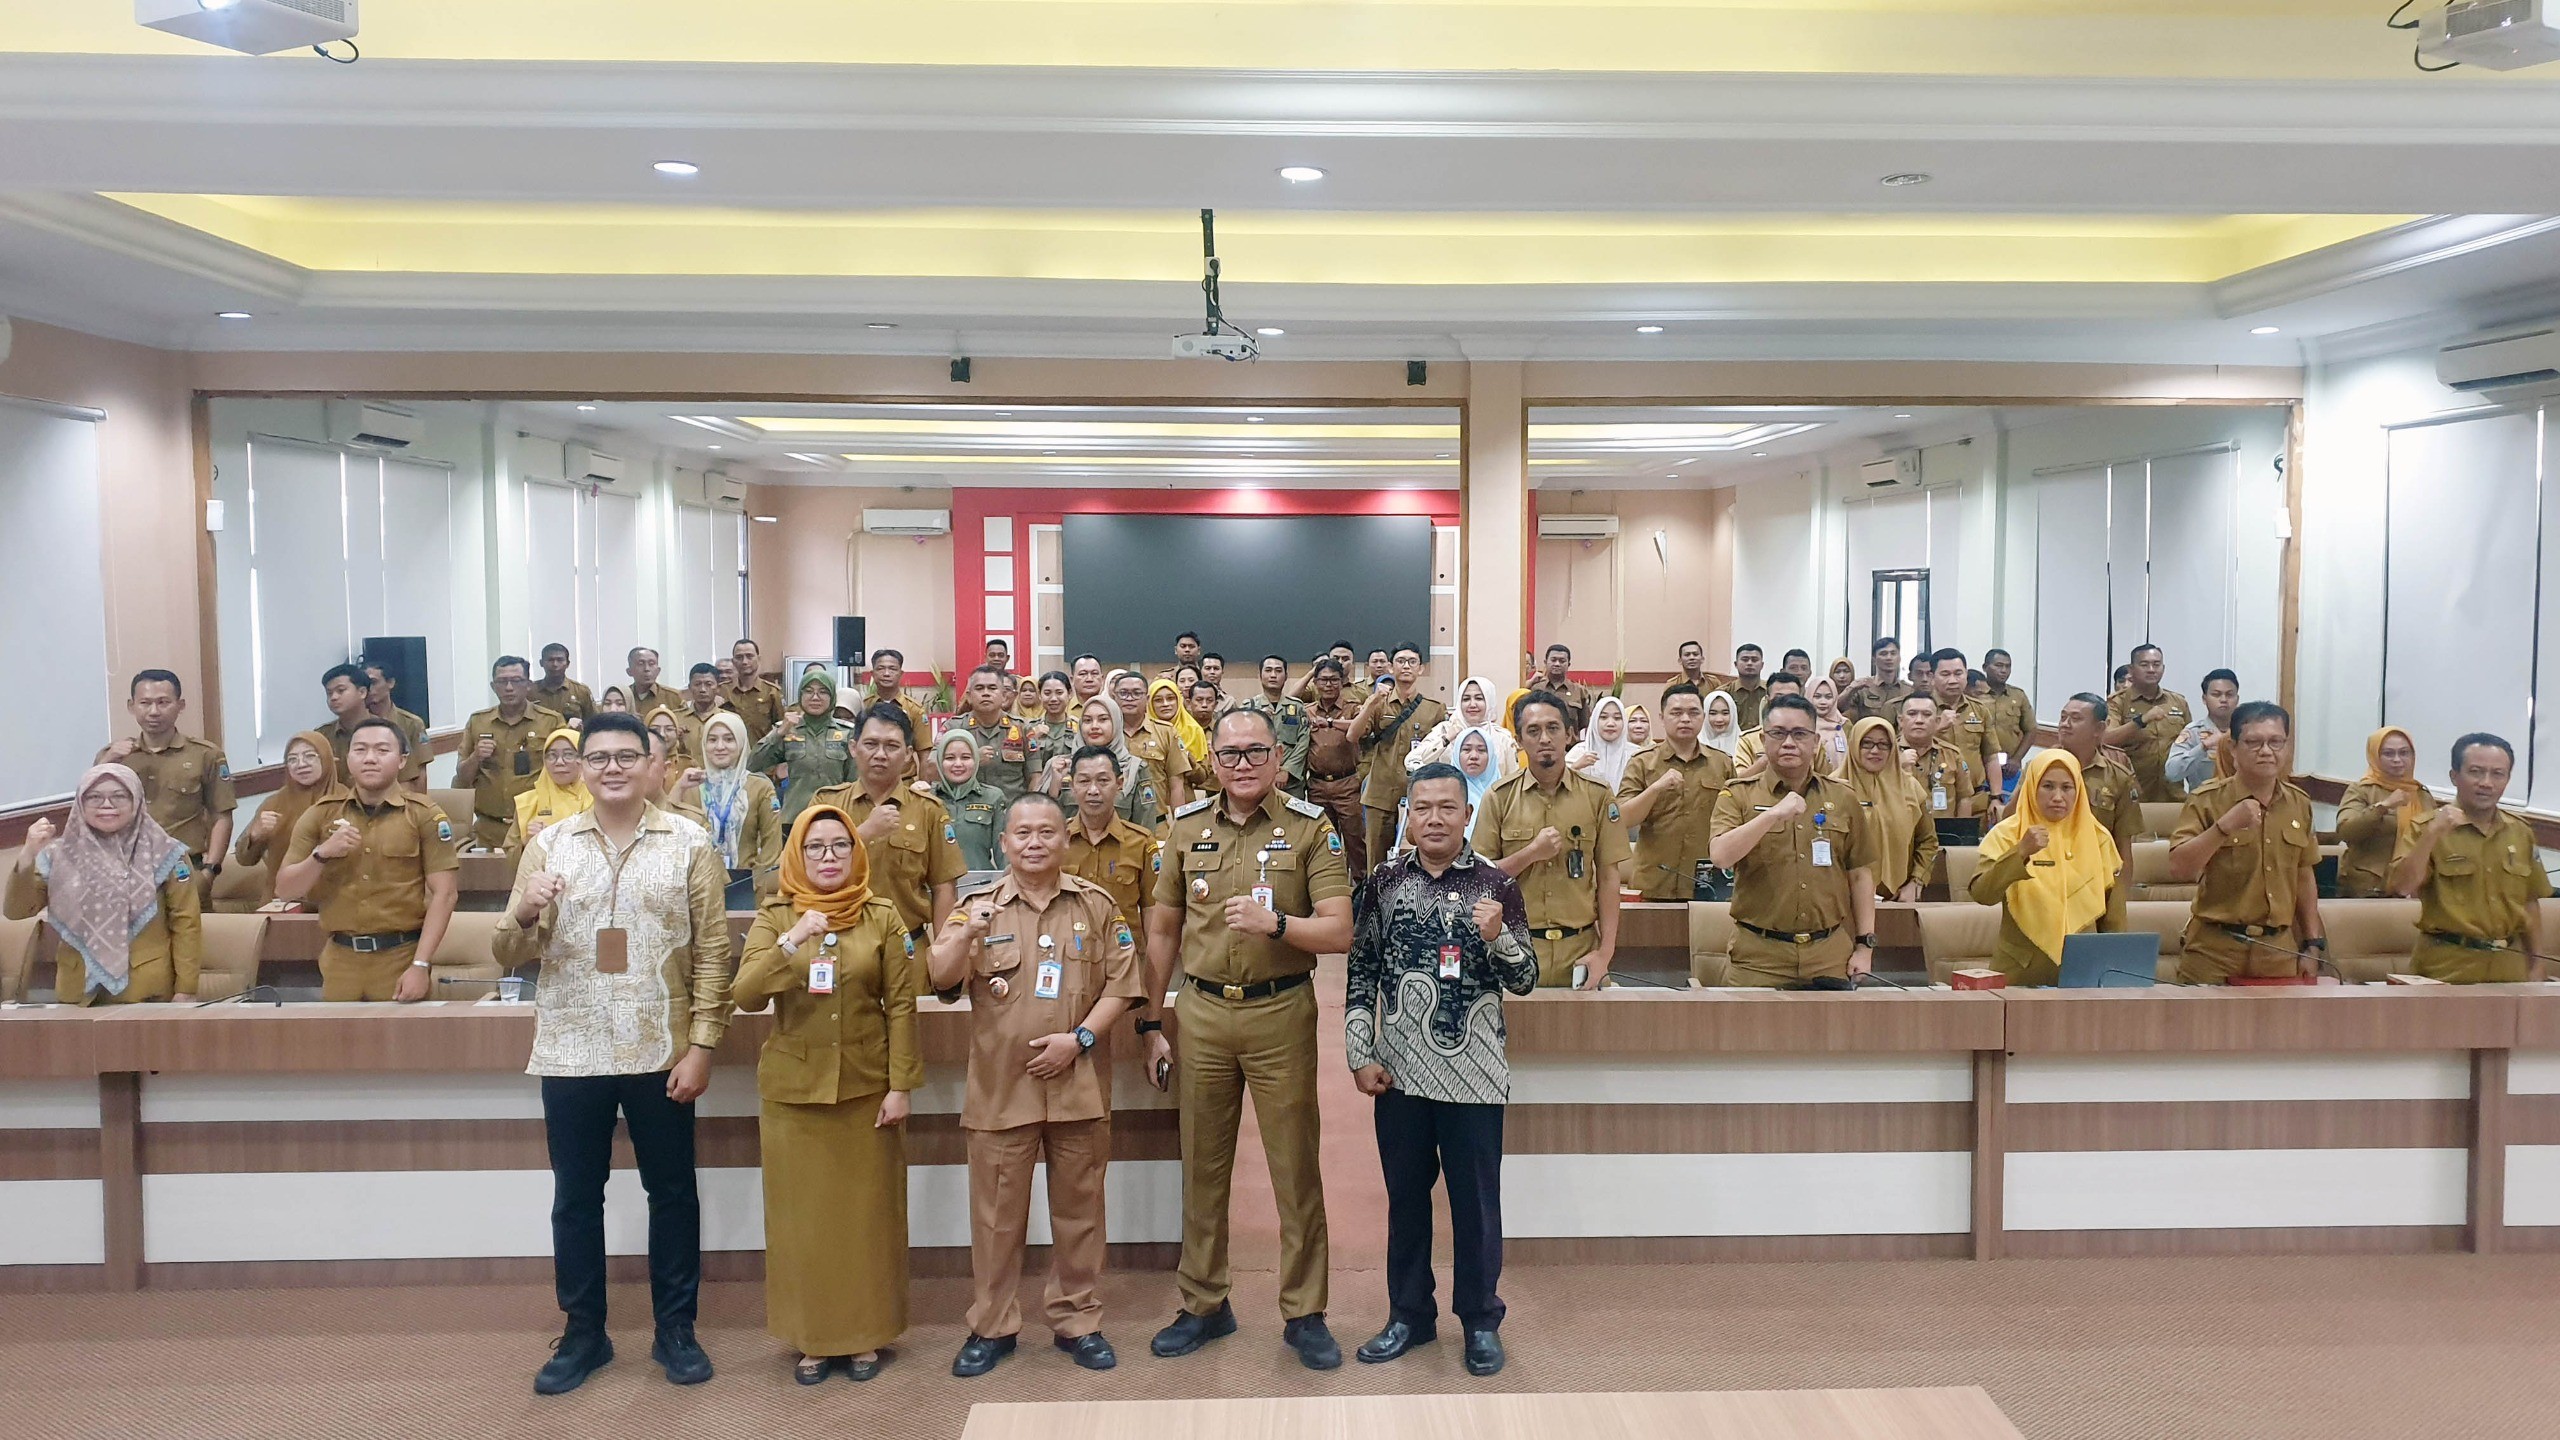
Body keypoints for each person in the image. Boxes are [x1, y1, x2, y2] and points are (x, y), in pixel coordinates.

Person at [496, 712, 732, 1395]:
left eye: (627, 756)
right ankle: (583, 1332)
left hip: (661, 1048)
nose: (612, 768)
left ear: (652, 763)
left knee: (673, 1194)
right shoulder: (548, 848)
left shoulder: (689, 842)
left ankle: (677, 1329)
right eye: (598, 757)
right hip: (571, 1049)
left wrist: (704, 1045)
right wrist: (521, 914)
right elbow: (506, 956)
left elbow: (713, 951)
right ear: (582, 766)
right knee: (575, 1198)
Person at [1142, 711, 1354, 1371]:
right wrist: (1152, 1023)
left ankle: (1306, 1312)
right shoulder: (1183, 829)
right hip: (1202, 1013)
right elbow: (1163, 932)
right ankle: (1204, 1302)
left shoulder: (1309, 828)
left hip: (1280, 1013)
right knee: (1203, 1168)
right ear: (1214, 761)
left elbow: (1339, 930)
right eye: (1229, 752)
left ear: (1276, 757)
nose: (1241, 763)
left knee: (1296, 1168)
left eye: (1254, 751)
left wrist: (1277, 923)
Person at [928, 791, 1144, 1377]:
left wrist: (1079, 1041)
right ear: (1004, 842)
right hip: (1002, 1092)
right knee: (997, 1220)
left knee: (1080, 1213)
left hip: (1078, 1085)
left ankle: (1078, 1320)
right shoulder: (976, 907)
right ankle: (992, 1325)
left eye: (1046, 833)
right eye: (1022, 833)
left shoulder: (1096, 907)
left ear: (1064, 839)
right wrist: (964, 935)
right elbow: (941, 978)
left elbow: (1123, 986)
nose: (1033, 843)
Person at [1345, 762, 1535, 1379]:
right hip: (1399, 1074)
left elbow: (1526, 979)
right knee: (1405, 1200)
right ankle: (1409, 1315)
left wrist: (1498, 937)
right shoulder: (1383, 882)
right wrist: (1359, 1050)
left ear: (1466, 814)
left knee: (1475, 1205)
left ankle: (1480, 1320)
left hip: (1475, 1076)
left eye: (1446, 807)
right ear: (1408, 813)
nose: (1433, 818)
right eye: (1422, 807)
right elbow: (1361, 971)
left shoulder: (1495, 885)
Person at [725, 804, 916, 1385]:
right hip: (794, 1096)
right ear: (798, 856)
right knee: (802, 1226)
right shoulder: (775, 915)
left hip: (865, 1089)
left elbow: (902, 1006)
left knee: (866, 1222)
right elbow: (745, 995)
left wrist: (901, 1084)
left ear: (856, 851)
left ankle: (865, 1337)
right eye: (816, 848)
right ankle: (811, 1339)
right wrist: (792, 940)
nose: (829, 858)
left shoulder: (881, 916)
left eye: (839, 846)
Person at [275, 717, 458, 1002]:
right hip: (340, 958)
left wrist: (420, 965)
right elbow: (286, 890)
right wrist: (322, 854)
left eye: (382, 750)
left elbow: (445, 894)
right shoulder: (321, 814)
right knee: (339, 1045)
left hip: (401, 956)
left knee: (401, 1044)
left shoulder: (425, 815)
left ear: (402, 760)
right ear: (347, 759)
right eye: (360, 750)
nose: (370, 759)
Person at [1708, 695, 1880, 988]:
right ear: (1764, 739)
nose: (1789, 742)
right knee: (1749, 1035)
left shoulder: (1842, 797)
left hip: (1828, 952)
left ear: (1815, 742)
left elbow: (1860, 874)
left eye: (1800, 734)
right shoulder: (1738, 794)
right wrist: (1772, 815)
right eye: (1779, 733)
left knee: (1832, 1035)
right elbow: (1721, 856)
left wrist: (1865, 945)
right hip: (1759, 956)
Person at [1470, 691, 1630, 988]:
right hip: (1516, 948)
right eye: (1533, 730)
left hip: (1581, 950)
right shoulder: (1500, 797)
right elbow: (1481, 879)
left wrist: (1604, 954)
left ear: (1569, 734)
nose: (1544, 738)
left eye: (1553, 728)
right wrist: (1530, 853)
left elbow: (1609, 878)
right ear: (1518, 740)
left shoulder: (1597, 795)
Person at [7, 764, 201, 1004]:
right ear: (80, 803)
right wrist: (27, 855)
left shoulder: (166, 853)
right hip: (78, 990)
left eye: (119, 797)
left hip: (144, 991)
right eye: (94, 797)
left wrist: (186, 989)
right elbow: (17, 911)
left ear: (136, 801)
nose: (106, 805)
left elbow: (186, 923)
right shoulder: (59, 855)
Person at [2165, 701, 2324, 984]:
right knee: (2202, 1028)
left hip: (2278, 950)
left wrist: (2313, 943)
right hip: (2215, 949)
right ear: (2233, 749)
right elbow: (2180, 868)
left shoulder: (2299, 804)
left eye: (2276, 742)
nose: (2266, 751)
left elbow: (2304, 876)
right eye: (2254, 742)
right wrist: (2224, 826)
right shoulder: (2207, 800)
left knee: (2278, 1029)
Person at [811, 704, 966, 971]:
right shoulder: (827, 804)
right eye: (870, 744)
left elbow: (944, 889)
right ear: (853, 747)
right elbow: (804, 873)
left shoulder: (928, 810)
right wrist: (863, 834)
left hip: (907, 950)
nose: (880, 754)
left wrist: (942, 957)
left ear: (908, 755)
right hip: (838, 947)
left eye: (892, 746)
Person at [2390, 733, 2550, 982]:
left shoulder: (2520, 832)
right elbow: (2402, 886)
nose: (2486, 783)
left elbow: (2530, 902)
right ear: (2454, 776)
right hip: (2447, 963)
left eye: (2498, 774)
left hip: (2509, 964)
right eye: (2476, 772)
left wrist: (2537, 962)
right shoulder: (2425, 828)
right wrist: (2433, 835)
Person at [1967, 750, 2127, 985]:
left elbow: (2114, 917)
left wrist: (2118, 972)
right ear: (2032, 788)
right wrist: (2020, 852)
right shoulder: (2008, 833)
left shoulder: (2098, 837)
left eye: (2067, 787)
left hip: (2085, 973)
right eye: (2048, 786)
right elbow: (1982, 893)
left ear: (2079, 791)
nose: (2058, 797)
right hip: (2020, 973)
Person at [98, 669, 235, 899]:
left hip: (184, 869)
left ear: (180, 705)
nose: (154, 711)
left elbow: (222, 816)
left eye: (163, 703)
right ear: (132, 706)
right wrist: (107, 762)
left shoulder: (205, 754)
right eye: (145, 703)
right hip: (125, 871)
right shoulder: (114, 756)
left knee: (189, 934)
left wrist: (210, 871)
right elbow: (90, 809)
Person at [1615, 684, 1735, 902]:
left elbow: (1735, 820)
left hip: (1708, 885)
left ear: (1703, 717)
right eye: (1676, 713)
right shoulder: (1642, 763)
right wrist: (1655, 789)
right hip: (1654, 882)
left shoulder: (1722, 763)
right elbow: (1623, 818)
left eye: (1693, 712)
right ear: (1662, 717)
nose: (1685, 719)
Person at [1354, 644, 1447, 875]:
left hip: (1418, 796)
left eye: (1412, 662)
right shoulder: (1378, 703)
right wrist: (1370, 703)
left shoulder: (1433, 709)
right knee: (1375, 864)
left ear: (1421, 669)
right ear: (1390, 667)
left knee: (1419, 856)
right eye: (1401, 661)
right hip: (1380, 793)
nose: (1406, 666)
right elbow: (1352, 735)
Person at [456, 655, 567, 848]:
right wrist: (476, 757)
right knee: (488, 879)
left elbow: (567, 773)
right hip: (489, 828)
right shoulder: (478, 721)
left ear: (528, 685)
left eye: (516, 681)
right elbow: (462, 777)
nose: (508, 688)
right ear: (493, 686)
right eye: (502, 682)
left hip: (536, 825)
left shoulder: (551, 721)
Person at [1062, 745, 1166, 940]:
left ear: (1119, 783)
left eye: (1103, 781)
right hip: (1070, 958)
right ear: (1072, 785)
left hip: (1125, 959)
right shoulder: (1057, 841)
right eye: (1084, 781)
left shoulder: (1141, 842)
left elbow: (1152, 912)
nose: (1093, 790)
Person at [1839, 716, 1934, 904]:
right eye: (1866, 743)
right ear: (1853, 744)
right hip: (1842, 899)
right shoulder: (1833, 788)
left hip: (1899, 897)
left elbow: (1927, 841)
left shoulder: (1910, 787)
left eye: (1884, 745)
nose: (1875, 751)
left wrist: (1916, 882)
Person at [749, 670, 860, 822]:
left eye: (823, 692)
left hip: (834, 817)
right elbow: (753, 763)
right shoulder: (787, 729)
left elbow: (854, 782)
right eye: (808, 691)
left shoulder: (846, 733)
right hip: (794, 818)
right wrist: (779, 733)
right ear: (800, 696)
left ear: (832, 697)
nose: (815, 697)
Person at [2049, 693, 2145, 861]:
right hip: (2046, 872)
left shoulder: (2118, 777)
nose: (2065, 724)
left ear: (2099, 729)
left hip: (2097, 873)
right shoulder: (2041, 768)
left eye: (2075, 719)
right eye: (2063, 717)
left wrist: (2121, 887)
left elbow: (2123, 848)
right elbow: (2011, 821)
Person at [2337, 727, 2428, 899]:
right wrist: (2383, 806)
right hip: (2371, 887)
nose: (2397, 760)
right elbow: (2346, 831)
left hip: (2415, 887)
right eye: (2388, 753)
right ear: (2375, 756)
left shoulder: (2421, 794)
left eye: (2404, 753)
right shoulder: (2361, 790)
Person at [1299, 659, 1370, 876]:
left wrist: (1330, 723)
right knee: (1323, 840)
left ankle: (1360, 888)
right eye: (1323, 680)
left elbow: (1361, 730)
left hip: (1347, 784)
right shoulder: (1307, 711)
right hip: (1317, 786)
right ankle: (1328, 883)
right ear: (1316, 683)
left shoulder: (1353, 709)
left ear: (1342, 682)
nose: (1328, 685)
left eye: (1334, 680)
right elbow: (1292, 698)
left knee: (1354, 840)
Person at [233, 729, 335, 880]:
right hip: (281, 897)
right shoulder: (274, 803)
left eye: (310, 756)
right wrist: (254, 836)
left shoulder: (345, 799)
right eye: (292, 759)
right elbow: (243, 859)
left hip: (335, 897)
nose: (301, 764)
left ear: (326, 758)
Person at [698, 713, 784, 892]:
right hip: (699, 884)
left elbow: (772, 845)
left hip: (746, 884)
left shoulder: (760, 787)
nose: (720, 746)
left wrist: (758, 885)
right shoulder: (692, 785)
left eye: (729, 740)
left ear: (742, 743)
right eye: (712, 740)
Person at [2107, 644, 2193, 803]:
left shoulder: (2178, 702)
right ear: (2132, 670)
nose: (2151, 669)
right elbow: (2107, 739)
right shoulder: (2118, 702)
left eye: (2156, 664)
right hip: (2132, 794)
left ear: (2163, 668)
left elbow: (2190, 744)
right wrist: (2140, 721)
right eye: (2144, 664)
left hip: (2173, 794)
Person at [1405, 675, 1519, 779]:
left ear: (1489, 701)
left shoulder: (1502, 738)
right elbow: (1411, 761)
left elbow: (1513, 778)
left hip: (1493, 800)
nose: (1472, 704)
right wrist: (1446, 739)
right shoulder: (1444, 730)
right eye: (1466, 699)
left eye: (1479, 698)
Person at [1112, 670, 1193, 814]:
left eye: (1137, 693)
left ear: (1147, 698)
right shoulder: (1105, 732)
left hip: (1156, 824)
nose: (1129, 698)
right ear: (1114, 696)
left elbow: (1176, 786)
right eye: (1123, 693)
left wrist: (1179, 826)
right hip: (1114, 824)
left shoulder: (1166, 732)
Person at [1927, 648, 1996, 817]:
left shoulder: (1979, 710)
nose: (1952, 680)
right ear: (1931, 677)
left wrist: (1996, 796)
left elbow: (1991, 756)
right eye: (1945, 674)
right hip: (1933, 799)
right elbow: (1904, 748)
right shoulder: (1919, 708)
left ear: (1966, 674)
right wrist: (1936, 729)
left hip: (1975, 798)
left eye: (1958, 673)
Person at [950, 665, 1035, 802]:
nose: (986, 693)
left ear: (1003, 696)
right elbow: (932, 770)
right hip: (967, 812)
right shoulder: (953, 728)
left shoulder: (1023, 728)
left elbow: (1035, 777)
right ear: (969, 697)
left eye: (992, 688)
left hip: (1010, 812)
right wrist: (972, 761)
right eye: (979, 688)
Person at [505, 727, 593, 857]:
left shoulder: (598, 798)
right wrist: (527, 844)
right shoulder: (529, 802)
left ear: (583, 758)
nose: (559, 762)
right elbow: (509, 858)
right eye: (551, 756)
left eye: (568, 754)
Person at [1229, 657, 1311, 789]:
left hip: (1290, 782)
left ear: (1285, 677)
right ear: (1260, 676)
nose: (1273, 675)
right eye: (1268, 670)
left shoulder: (1296, 707)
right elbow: (1241, 742)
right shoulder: (1248, 707)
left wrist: (1287, 770)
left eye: (1278, 671)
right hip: (1256, 777)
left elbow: (1303, 741)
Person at [934, 731, 1007, 872]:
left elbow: (1003, 854)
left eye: (966, 757)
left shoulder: (993, 797)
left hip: (981, 888)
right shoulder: (927, 797)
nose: (958, 764)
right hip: (934, 889)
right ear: (939, 761)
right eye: (950, 758)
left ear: (976, 760)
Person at [1900, 694, 1973, 822]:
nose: (1919, 720)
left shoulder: (1952, 755)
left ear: (1937, 721)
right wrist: (1898, 766)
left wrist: (1962, 834)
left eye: (1927, 714)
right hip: (1899, 831)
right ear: (1901, 720)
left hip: (1943, 833)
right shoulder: (1888, 755)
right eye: (1912, 714)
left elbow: (1964, 798)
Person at [2166, 668, 2240, 792]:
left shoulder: (2246, 732)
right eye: (2216, 694)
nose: (2223, 699)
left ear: (2237, 699)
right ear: (2204, 699)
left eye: (2229, 694)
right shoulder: (2193, 732)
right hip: (2204, 805)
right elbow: (2172, 773)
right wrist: (2203, 747)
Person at [362, 661, 432, 789]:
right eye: (365, 684)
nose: (369, 689)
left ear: (390, 683)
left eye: (373, 682)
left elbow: (421, 773)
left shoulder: (412, 723)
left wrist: (419, 807)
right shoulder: (360, 725)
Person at [1978, 649, 2033, 783]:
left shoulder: (2018, 696)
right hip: (1979, 765)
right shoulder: (1975, 695)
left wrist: (2016, 759)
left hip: (2009, 767)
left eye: (2008, 666)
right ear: (1985, 667)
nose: (2004, 670)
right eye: (1998, 665)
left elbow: (2031, 730)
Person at [864, 648, 932, 754]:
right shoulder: (864, 706)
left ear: (901, 673)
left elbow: (924, 752)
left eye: (892, 669)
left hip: (904, 771)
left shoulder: (915, 710)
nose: (886, 673)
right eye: (881, 668)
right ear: (872, 674)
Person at [318, 662, 377, 777]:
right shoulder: (322, 736)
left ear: (362, 692)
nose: (334, 697)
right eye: (329, 693)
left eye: (341, 690)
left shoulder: (387, 731)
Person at [1566, 695, 1637, 790]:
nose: (1610, 723)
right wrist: (1576, 767)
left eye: (1617, 718)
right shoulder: (1579, 751)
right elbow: (1558, 785)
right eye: (1603, 717)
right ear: (1594, 720)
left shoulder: (1635, 754)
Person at [1153, 675, 1215, 780]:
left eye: (1171, 698)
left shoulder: (1193, 730)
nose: (1165, 704)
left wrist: (1187, 759)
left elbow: (1202, 776)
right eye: (1158, 700)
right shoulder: (1142, 731)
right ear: (1149, 703)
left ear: (1179, 701)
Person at [1842, 636, 1912, 723]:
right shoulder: (1862, 688)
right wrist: (1851, 689)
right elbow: (1838, 709)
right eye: (1883, 654)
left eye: (1893, 653)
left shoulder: (1909, 691)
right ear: (1874, 660)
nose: (1889, 658)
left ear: (1899, 658)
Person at [726, 639, 785, 740]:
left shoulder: (772, 692)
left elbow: (781, 727)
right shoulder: (722, 691)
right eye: (739, 657)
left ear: (758, 659)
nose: (744, 662)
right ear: (733, 661)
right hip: (729, 752)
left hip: (762, 753)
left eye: (749, 656)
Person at [1527, 645, 1593, 733]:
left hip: (1570, 744)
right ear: (1545, 662)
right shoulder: (1536, 689)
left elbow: (1584, 725)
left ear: (1568, 664)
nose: (1557, 664)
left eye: (1562, 661)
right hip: (1542, 742)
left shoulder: (1579, 691)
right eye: (1553, 660)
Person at [1024, 671, 1078, 777]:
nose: (1053, 699)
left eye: (1059, 693)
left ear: (1070, 693)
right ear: (1040, 695)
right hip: (1037, 789)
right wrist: (1032, 739)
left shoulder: (1079, 728)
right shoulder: (1029, 728)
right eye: (1047, 693)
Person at [534, 643, 597, 726]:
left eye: (560, 660)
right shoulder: (530, 691)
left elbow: (593, 722)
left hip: (573, 738)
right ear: (541, 663)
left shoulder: (581, 691)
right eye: (550, 660)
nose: (555, 664)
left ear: (567, 664)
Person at [1807, 675, 1849, 772]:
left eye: (1828, 697)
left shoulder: (1845, 724)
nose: (1823, 702)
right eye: (1817, 697)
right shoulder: (1803, 726)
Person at [624, 646, 677, 718]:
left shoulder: (673, 698)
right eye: (641, 663)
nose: (647, 669)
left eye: (651, 664)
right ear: (629, 671)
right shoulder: (623, 697)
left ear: (658, 671)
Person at [1727, 644, 1769, 730]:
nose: (1749, 663)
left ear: (1762, 665)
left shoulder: (1771, 691)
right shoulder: (1725, 692)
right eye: (1745, 660)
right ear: (1736, 664)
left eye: (1754, 660)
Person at [1701, 690, 1741, 755]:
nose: (1719, 719)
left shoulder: (1745, 744)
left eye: (1725, 713)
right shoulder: (1694, 745)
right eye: (1713, 713)